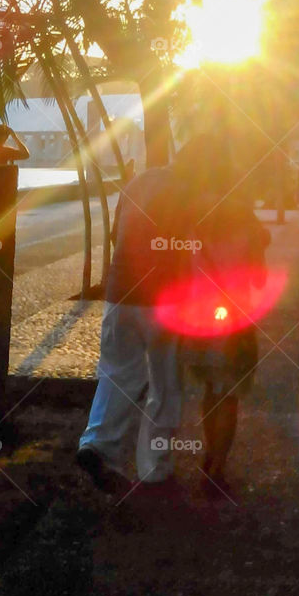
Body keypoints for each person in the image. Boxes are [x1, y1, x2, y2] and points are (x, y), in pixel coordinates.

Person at [76, 140, 199, 495]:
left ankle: (97, 445)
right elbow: (194, 252)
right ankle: (155, 469)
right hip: (163, 302)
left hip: (120, 292)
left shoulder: (138, 182)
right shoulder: (190, 192)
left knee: (117, 373)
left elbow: (117, 237)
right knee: (165, 384)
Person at [181, 165, 270, 494]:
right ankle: (217, 467)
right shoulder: (248, 228)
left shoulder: (193, 227)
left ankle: (209, 452)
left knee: (209, 390)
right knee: (229, 395)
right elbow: (260, 279)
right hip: (235, 320)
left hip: (199, 318)